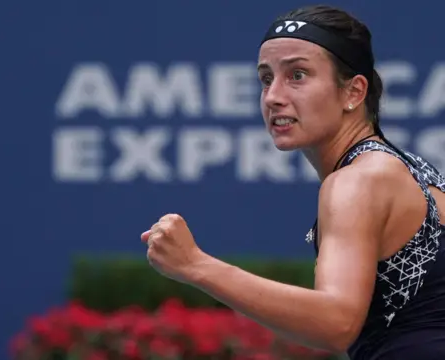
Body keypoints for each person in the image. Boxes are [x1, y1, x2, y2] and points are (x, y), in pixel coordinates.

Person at [141, 4, 445, 359]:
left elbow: (336, 323)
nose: (273, 97)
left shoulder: (357, 182)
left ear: (354, 92)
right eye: (266, 78)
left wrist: (196, 265)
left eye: (298, 75)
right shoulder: (407, 170)